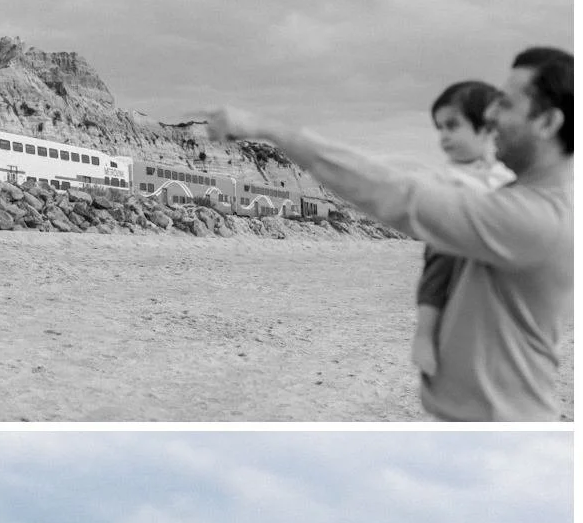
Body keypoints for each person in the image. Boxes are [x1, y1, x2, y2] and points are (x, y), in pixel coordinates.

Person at [206, 47, 573, 422]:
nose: (491, 115)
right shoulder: (522, 201)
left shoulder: (534, 220)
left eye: (506, 105)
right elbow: (407, 178)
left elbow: (396, 194)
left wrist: (268, 129)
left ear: (547, 123)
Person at [412, 81, 514, 378]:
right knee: (439, 261)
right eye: (439, 128)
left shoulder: (505, 174)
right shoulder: (451, 176)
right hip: (453, 245)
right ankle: (425, 334)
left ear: (486, 128)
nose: (443, 137)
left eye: (452, 126)